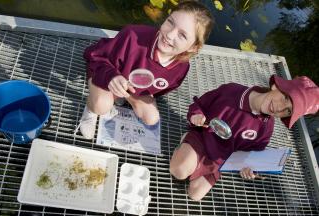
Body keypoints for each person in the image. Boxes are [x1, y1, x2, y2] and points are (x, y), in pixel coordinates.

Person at [75, 1, 215, 139]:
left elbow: (163, 88)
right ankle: (90, 111)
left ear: (193, 47)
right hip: (107, 72)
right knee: (102, 105)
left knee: (151, 118)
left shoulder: (182, 68)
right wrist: (111, 77)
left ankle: (121, 97)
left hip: (133, 87)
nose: (170, 35)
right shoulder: (132, 35)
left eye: (182, 35)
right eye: (170, 22)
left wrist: (143, 95)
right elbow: (97, 57)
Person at [170, 75, 319, 201]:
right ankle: (186, 142)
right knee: (179, 171)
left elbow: (250, 155)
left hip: (220, 160)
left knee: (195, 194)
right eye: (285, 98)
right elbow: (199, 104)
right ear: (276, 86)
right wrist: (196, 115)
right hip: (202, 138)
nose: (279, 108)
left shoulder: (266, 128)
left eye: (288, 111)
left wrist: (249, 168)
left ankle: (198, 166)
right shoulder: (231, 91)